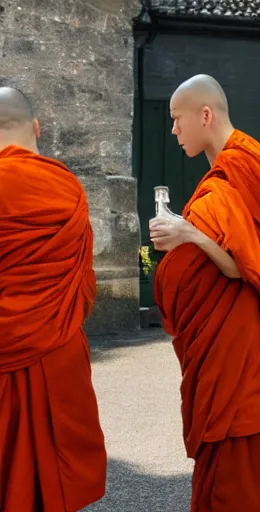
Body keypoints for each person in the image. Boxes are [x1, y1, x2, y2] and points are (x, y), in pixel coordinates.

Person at [150, 74, 260, 511]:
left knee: (235, 440)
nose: (174, 130)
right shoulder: (246, 164)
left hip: (239, 333)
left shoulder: (242, 170)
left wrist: (192, 235)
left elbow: (247, 266)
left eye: (178, 119)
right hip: (241, 326)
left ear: (205, 114)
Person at [0, 87, 106, 511]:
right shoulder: (68, 186)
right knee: (56, 485)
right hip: (59, 350)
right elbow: (84, 281)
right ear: (37, 129)